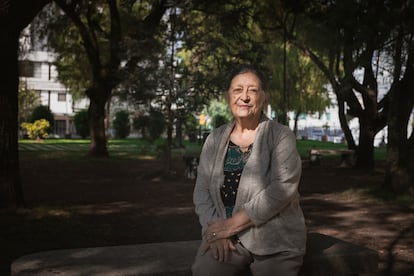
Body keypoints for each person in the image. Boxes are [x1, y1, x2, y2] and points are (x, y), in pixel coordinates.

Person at [192, 65, 307, 276]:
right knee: (205, 271)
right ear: (228, 96)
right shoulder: (215, 139)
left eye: (252, 90)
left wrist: (230, 225)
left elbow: (282, 189)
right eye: (237, 90)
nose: (244, 97)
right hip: (227, 239)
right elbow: (201, 192)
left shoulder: (280, 135)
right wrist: (216, 231)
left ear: (264, 98)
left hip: (275, 240)